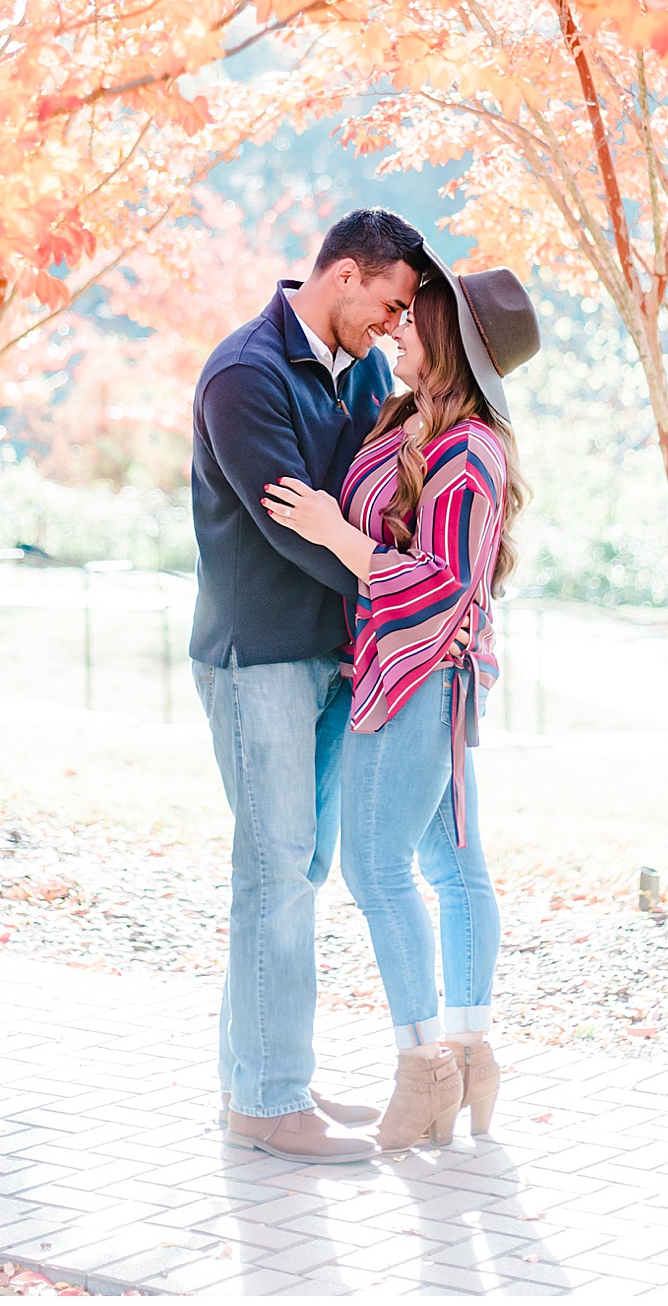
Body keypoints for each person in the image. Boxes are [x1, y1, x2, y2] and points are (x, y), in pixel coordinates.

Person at [264, 255, 538, 1150]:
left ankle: (427, 1070)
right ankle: (468, 1053)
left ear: (451, 340)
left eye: (412, 316)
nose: (396, 326)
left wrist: (338, 536)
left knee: (377, 869)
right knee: (451, 864)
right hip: (414, 668)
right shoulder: (408, 416)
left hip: (418, 675)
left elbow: (443, 581)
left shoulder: (469, 450)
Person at [189, 208, 429, 1165]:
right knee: (276, 875)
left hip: (330, 655)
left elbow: (357, 504)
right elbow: (295, 526)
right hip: (262, 661)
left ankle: (262, 1069)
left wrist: (366, 541)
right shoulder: (245, 374)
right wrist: (389, 571)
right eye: (391, 301)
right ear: (343, 277)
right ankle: (268, 1098)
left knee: (298, 873)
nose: (394, 323)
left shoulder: (363, 370)